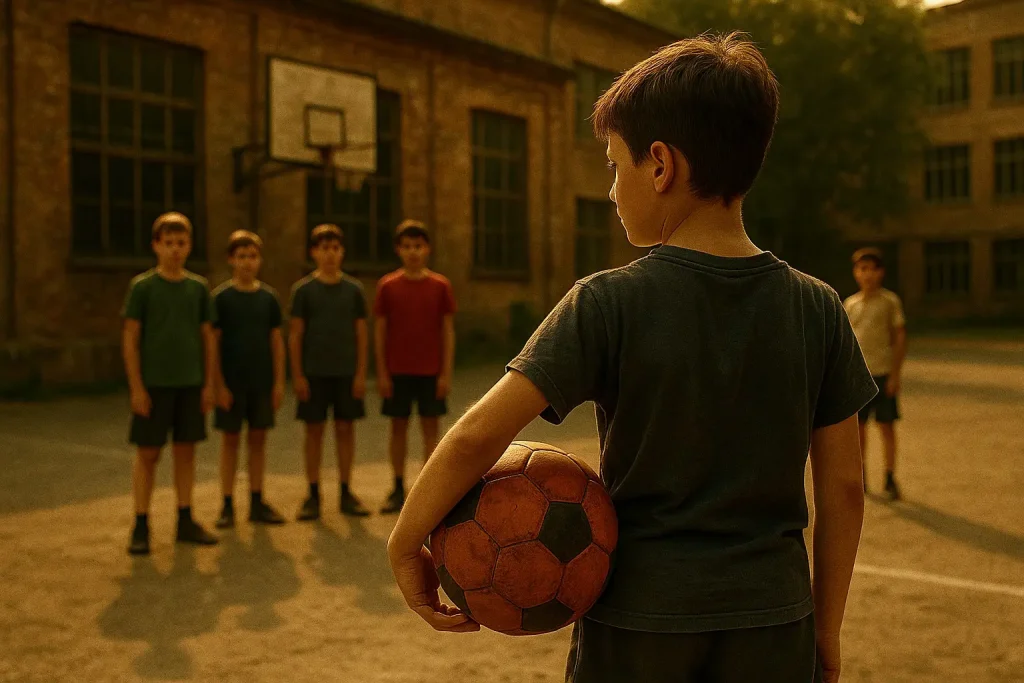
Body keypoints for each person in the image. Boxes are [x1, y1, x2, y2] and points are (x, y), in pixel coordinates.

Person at [386, 33, 876, 683]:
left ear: (660, 165)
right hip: (773, 620)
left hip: (639, 624)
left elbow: (481, 431)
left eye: (615, 166)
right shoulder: (819, 307)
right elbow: (843, 486)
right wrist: (826, 626)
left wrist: (404, 540)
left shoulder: (607, 302)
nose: (613, 190)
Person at [123, 212, 219, 555]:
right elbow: (131, 338)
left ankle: (185, 518)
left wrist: (209, 384)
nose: (175, 250)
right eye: (168, 243)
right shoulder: (143, 288)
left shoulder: (197, 288)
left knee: (186, 452)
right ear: (156, 246)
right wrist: (136, 387)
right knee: (148, 454)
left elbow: (207, 338)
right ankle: (141, 523)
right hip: (154, 386)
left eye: (181, 243)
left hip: (189, 384)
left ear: (189, 246)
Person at [289, 223, 371, 521]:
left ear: (342, 252)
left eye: (335, 248)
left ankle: (346, 491)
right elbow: (296, 335)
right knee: (314, 432)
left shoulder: (353, 291)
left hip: (346, 372)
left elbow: (361, 334)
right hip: (314, 373)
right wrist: (297, 375)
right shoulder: (303, 291)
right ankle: (312, 494)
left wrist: (361, 373)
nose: (329, 254)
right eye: (323, 248)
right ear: (314, 253)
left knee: (345, 429)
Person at [374, 220, 457, 514]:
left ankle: (428, 489)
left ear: (427, 249)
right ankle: (397, 487)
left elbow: (447, 331)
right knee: (398, 428)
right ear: (399, 250)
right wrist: (382, 372)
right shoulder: (387, 286)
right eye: (407, 246)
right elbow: (380, 331)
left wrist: (445, 372)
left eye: (418, 246)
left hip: (430, 371)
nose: (413, 252)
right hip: (398, 371)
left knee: (430, 430)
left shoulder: (440, 286)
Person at [211, 230, 287, 529]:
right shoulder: (221, 298)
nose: (247, 262)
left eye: (252, 256)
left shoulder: (268, 298)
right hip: (232, 384)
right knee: (230, 442)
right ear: (231, 259)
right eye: (241, 256)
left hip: (261, 382)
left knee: (258, 441)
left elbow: (276, 342)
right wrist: (218, 384)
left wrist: (279, 383)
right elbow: (214, 345)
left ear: (259, 260)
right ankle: (227, 503)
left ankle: (257, 500)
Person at [844, 247, 907, 501]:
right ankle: (861, 477)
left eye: (872, 269)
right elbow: (845, 343)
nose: (867, 274)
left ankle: (890, 476)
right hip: (859, 377)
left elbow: (899, 336)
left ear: (881, 272)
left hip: (882, 373)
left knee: (886, 427)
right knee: (857, 431)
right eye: (862, 269)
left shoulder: (889, 301)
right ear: (856, 273)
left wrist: (895, 374)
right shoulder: (850, 304)